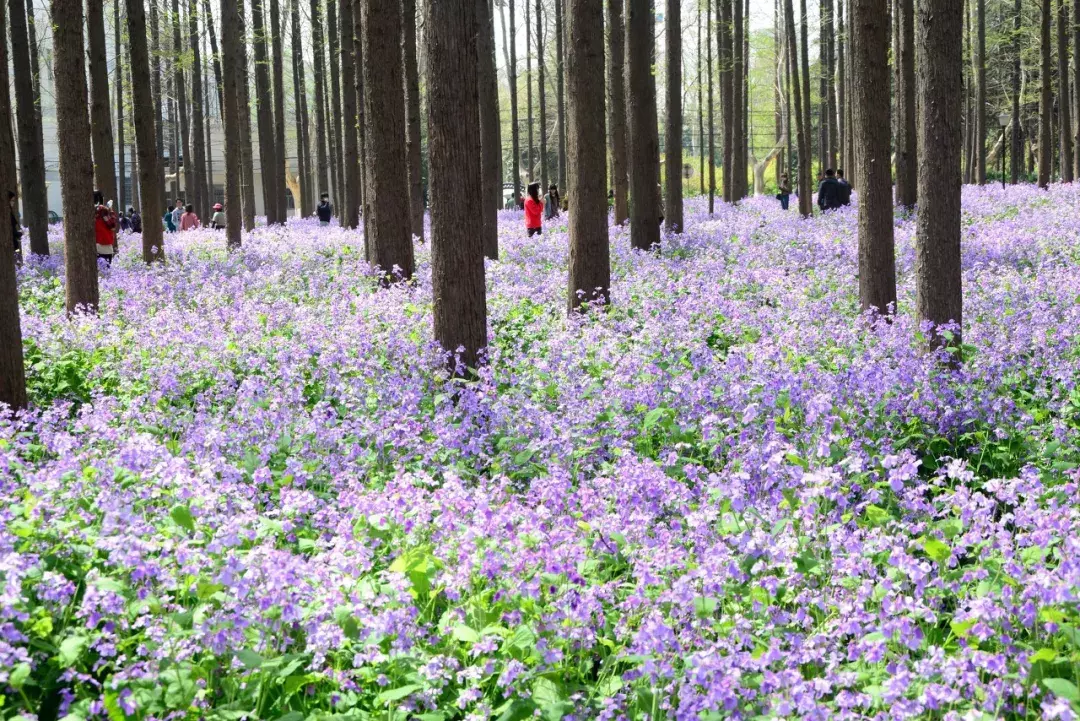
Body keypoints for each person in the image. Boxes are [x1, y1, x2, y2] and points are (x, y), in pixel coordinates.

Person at [94, 190, 118, 266]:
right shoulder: (103, 210)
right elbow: (112, 226)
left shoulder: (87, 211)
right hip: (104, 246)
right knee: (105, 274)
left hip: (94, 244)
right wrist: (111, 210)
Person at [9, 192, 21, 261]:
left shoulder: (10, 212)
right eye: (12, 200)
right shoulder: (9, 214)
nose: (13, 203)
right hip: (13, 244)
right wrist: (19, 234)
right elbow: (12, 231)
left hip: (15, 243)